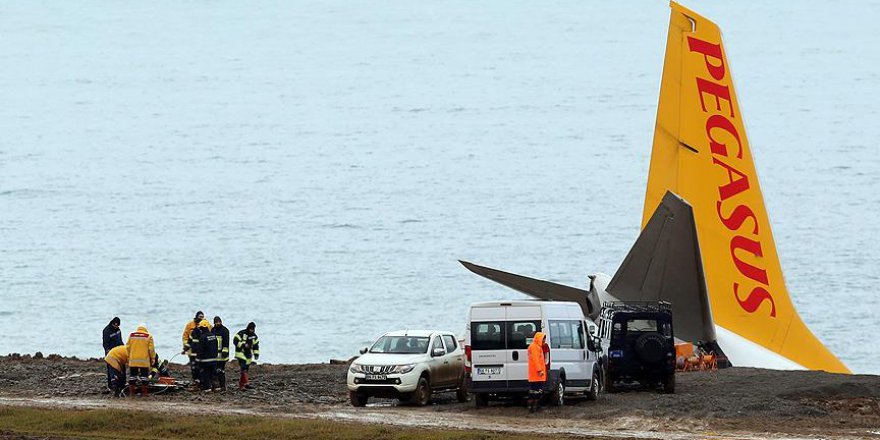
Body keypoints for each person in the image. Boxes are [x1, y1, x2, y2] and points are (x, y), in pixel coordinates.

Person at [126, 324, 156, 397]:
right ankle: (144, 393)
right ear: (145, 329)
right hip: (144, 361)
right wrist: (153, 358)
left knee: (132, 376)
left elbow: (127, 348)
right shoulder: (148, 336)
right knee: (144, 377)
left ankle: (132, 393)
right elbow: (151, 350)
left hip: (133, 360)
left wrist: (129, 357)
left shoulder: (131, 335)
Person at [182, 311, 210, 383]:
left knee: (202, 366)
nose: (201, 318)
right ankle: (195, 380)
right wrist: (186, 347)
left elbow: (210, 335)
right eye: (200, 317)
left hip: (202, 351)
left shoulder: (206, 324)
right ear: (196, 316)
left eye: (202, 317)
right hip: (192, 350)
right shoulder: (190, 325)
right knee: (193, 366)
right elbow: (185, 337)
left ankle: (202, 380)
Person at [233, 322, 260, 390]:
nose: (251, 330)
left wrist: (256, 354)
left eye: (253, 329)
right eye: (250, 329)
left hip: (248, 355)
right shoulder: (242, 333)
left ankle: (242, 385)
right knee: (243, 368)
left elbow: (256, 346)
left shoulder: (254, 336)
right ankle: (246, 383)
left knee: (246, 370)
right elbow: (235, 340)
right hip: (240, 353)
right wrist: (243, 345)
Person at [527, 331, 549, 413]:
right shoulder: (535, 347)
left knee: (534, 391)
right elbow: (536, 360)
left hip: (535, 375)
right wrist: (540, 370)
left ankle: (533, 407)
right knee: (537, 391)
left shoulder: (535, 347)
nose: (544, 342)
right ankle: (535, 407)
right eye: (543, 340)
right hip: (537, 375)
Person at [196, 320, 221, 391]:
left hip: (205, 360)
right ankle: (217, 387)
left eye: (200, 328)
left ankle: (207, 388)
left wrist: (198, 360)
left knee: (205, 374)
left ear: (203, 328)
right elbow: (217, 347)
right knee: (214, 374)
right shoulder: (214, 336)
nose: (199, 329)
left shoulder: (202, 337)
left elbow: (200, 351)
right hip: (214, 359)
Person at [186, 319, 211, 388]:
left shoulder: (203, 334)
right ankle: (196, 381)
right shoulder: (194, 332)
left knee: (200, 368)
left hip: (199, 354)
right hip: (193, 354)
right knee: (194, 368)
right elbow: (189, 342)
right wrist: (185, 349)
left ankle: (201, 382)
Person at [102, 317, 123, 392]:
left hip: (119, 352)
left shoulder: (118, 330)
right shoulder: (106, 331)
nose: (116, 327)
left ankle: (121, 385)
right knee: (111, 369)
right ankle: (111, 386)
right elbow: (105, 343)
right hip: (110, 352)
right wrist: (108, 352)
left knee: (120, 368)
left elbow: (120, 340)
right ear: (113, 324)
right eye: (115, 326)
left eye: (118, 326)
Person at [212, 316, 230, 391]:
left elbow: (226, 343)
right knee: (215, 371)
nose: (218, 323)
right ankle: (216, 386)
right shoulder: (212, 330)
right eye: (217, 322)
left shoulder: (224, 330)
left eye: (219, 322)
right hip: (215, 355)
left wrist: (225, 353)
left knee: (221, 370)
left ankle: (223, 386)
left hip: (222, 355)